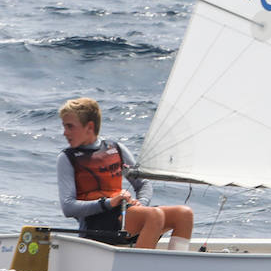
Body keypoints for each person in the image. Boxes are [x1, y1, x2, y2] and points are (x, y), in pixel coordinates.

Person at [57, 97, 193, 251]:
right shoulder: (67, 158)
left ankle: (176, 267)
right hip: (96, 224)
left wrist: (140, 203)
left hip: (125, 215)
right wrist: (108, 203)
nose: (65, 133)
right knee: (154, 215)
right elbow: (68, 207)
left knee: (184, 214)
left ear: (89, 127)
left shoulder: (116, 149)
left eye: (70, 127)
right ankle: (138, 269)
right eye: (64, 126)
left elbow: (143, 184)